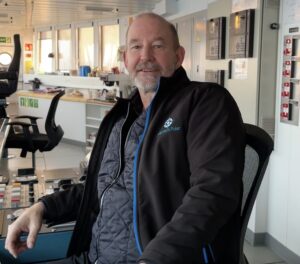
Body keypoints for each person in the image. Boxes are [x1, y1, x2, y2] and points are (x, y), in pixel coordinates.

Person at [5, 12, 245, 264]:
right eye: (136, 46)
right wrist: (42, 207)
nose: (146, 56)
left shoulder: (204, 102)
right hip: (95, 256)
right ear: (125, 59)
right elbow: (98, 188)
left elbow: (213, 192)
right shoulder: (121, 119)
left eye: (158, 46)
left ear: (178, 56)